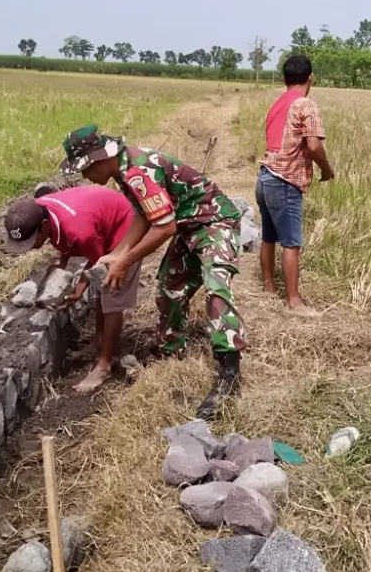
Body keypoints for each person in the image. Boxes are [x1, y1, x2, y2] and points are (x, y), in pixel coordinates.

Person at [58, 126, 247, 420]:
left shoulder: (137, 172)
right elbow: (142, 215)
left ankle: (228, 372)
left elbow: (164, 227)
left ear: (97, 159)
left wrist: (126, 260)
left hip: (214, 222)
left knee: (216, 288)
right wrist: (119, 252)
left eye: (84, 169)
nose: (84, 177)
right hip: (189, 226)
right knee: (169, 286)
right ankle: (170, 351)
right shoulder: (124, 170)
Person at [3, 185, 140, 394]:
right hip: (96, 216)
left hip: (124, 228)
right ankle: (99, 341)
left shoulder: (81, 231)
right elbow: (63, 235)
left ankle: (105, 364)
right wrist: (61, 262)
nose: (30, 247)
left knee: (110, 291)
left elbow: (97, 265)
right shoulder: (39, 208)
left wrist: (78, 290)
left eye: (32, 240)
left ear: (44, 225)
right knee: (100, 291)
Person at [256, 54, 334, 317]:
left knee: (268, 236)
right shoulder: (306, 105)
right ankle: (293, 302)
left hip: (265, 177)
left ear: (284, 78)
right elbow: (313, 145)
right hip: (285, 182)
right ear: (310, 78)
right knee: (291, 243)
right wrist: (327, 169)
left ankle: (268, 288)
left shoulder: (276, 104)